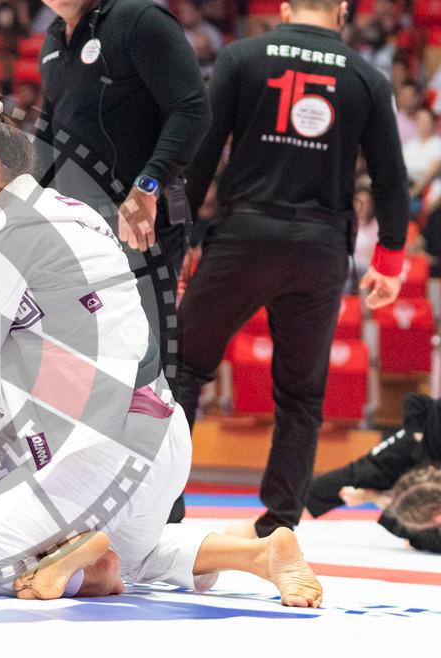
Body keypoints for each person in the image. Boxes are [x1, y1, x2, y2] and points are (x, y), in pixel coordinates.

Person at [0, 95, 321, 605]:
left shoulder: (7, 225)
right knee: (137, 554)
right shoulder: (79, 214)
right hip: (162, 437)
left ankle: (87, 576)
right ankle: (260, 554)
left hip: (103, 447)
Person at [178, 0, 409, 540]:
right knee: (302, 396)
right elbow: (391, 180)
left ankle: (161, 506)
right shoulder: (367, 77)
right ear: (343, 12)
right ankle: (280, 523)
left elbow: (201, 154)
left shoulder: (242, 57)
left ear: (284, 8)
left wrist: (180, 238)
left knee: (182, 372)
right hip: (320, 247)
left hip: (242, 237)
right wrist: (390, 262)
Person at [36, 0, 212, 420]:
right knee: (88, 363)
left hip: (142, 223)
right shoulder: (52, 41)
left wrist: (148, 184)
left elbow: (193, 108)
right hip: (78, 229)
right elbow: (48, 135)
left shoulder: (140, 20)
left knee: (147, 364)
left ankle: (163, 484)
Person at [307, 393, 441, 553]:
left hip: (421, 460)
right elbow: (415, 401)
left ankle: (411, 524)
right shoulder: (410, 449)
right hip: (409, 454)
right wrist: (416, 435)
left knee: (420, 528)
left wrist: (375, 498)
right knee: (317, 490)